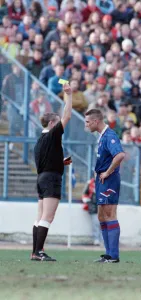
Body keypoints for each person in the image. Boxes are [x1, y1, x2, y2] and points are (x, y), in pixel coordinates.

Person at [31, 83, 73, 261]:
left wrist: (61, 162)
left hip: (42, 178)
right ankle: (39, 252)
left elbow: (44, 162)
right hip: (51, 180)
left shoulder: (40, 141)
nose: (59, 125)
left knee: (40, 216)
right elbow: (68, 115)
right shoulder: (52, 134)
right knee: (48, 216)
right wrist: (69, 95)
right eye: (56, 122)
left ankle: (35, 252)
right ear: (51, 123)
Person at [84, 108, 125, 263]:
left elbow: (120, 155)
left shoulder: (110, 135)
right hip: (102, 181)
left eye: (88, 122)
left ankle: (113, 255)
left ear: (96, 121)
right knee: (102, 215)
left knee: (110, 214)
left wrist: (108, 172)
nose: (86, 125)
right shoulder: (101, 136)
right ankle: (108, 253)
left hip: (109, 180)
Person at [82, 177, 103, 246]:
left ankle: (102, 239)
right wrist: (88, 201)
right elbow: (85, 193)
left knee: (103, 223)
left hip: (103, 206)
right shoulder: (90, 182)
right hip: (93, 207)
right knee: (96, 223)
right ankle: (96, 239)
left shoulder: (105, 182)